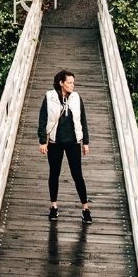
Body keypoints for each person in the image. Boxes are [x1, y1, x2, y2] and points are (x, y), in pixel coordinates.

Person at [38, 69, 92, 223]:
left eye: (73, 82)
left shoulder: (76, 98)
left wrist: (85, 142)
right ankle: (53, 207)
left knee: (77, 175)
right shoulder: (50, 97)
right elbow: (42, 120)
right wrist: (43, 141)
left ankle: (85, 208)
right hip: (54, 142)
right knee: (54, 174)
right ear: (61, 83)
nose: (72, 85)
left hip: (73, 142)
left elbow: (83, 120)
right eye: (69, 82)